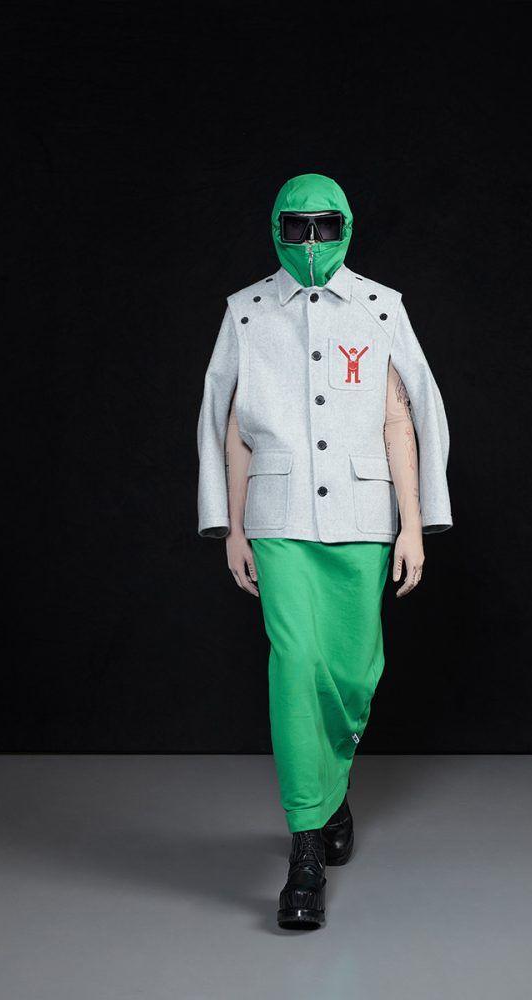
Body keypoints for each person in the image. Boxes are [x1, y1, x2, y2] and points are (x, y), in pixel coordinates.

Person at [197, 173, 452, 929]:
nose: (310, 241)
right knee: (296, 666)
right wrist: (231, 527)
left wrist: (414, 524)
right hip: (277, 518)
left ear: (346, 226)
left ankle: (332, 793)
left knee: (351, 673)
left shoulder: (381, 307)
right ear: (275, 228)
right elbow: (226, 420)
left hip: (364, 515)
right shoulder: (246, 311)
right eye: (296, 226)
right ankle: (304, 849)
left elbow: (408, 415)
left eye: (325, 226)